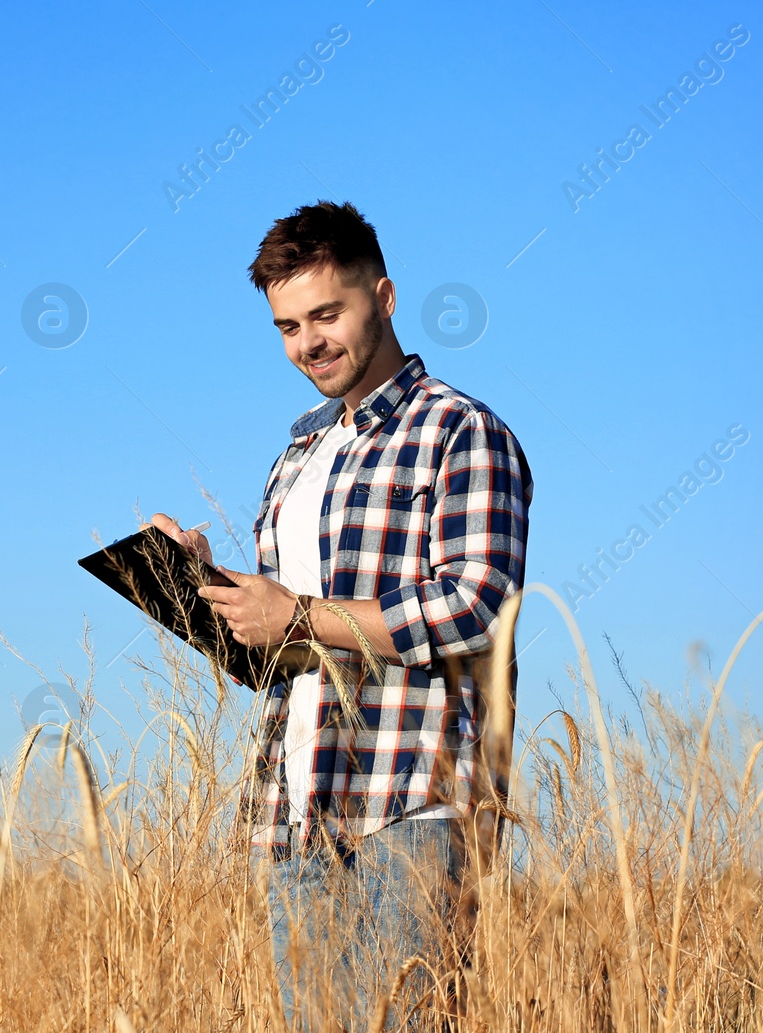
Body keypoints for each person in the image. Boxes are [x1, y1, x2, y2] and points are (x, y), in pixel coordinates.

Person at [145, 200, 531, 1029]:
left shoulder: (460, 432)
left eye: (327, 314)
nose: (308, 343)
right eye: (288, 326)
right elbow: (282, 652)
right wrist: (202, 588)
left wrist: (298, 612)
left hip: (411, 805)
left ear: (384, 297)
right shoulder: (300, 454)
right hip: (294, 812)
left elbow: (475, 607)